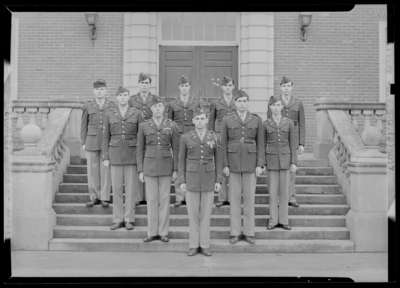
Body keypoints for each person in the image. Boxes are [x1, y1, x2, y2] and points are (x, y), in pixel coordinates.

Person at [220, 90, 265, 245]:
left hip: (250, 164)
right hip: (232, 165)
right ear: (235, 103)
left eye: (245, 101)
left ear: (248, 102)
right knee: (234, 200)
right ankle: (235, 232)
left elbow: (261, 144)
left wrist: (260, 164)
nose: (242, 104)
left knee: (249, 200)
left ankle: (248, 232)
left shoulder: (256, 120)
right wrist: (224, 164)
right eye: (239, 101)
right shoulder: (227, 120)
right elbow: (223, 145)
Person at [178, 108, 223, 257]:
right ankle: (193, 245)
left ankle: (205, 245)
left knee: (205, 215)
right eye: (197, 119)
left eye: (202, 118)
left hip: (209, 179)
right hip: (191, 179)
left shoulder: (214, 137)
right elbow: (181, 161)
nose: (200, 121)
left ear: (206, 120)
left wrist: (218, 180)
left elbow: (219, 160)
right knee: (193, 214)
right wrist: (182, 180)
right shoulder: (186, 137)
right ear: (193, 121)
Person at [136, 97, 180, 243]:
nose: (158, 109)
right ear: (151, 109)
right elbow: (140, 149)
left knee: (164, 199)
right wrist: (140, 170)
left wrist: (175, 170)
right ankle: (152, 232)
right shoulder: (144, 126)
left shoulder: (172, 125)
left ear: (164, 108)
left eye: (160, 106)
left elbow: (176, 148)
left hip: (167, 165)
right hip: (149, 165)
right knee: (152, 200)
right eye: (155, 106)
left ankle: (163, 232)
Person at [102, 87, 143, 230]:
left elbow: (141, 137)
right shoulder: (109, 114)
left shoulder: (136, 113)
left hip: (131, 155)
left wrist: (140, 158)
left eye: (125, 95)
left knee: (131, 190)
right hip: (115, 155)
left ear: (128, 97)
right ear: (117, 98)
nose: (123, 98)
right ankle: (118, 219)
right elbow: (105, 136)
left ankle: (129, 219)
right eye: (120, 95)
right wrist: (105, 157)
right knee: (117, 189)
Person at [267, 76, 305, 208]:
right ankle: (278, 197)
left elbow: (302, 124)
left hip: (292, 141)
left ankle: (291, 197)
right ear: (280, 88)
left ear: (292, 87)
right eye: (284, 86)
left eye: (288, 86)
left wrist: (301, 143)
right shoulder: (274, 102)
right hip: (278, 141)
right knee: (278, 170)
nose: (286, 88)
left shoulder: (298, 103)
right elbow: (269, 123)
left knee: (291, 170)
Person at [264, 96, 298, 230]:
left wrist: (294, 162)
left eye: (278, 105)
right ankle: (273, 220)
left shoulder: (289, 123)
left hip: (285, 161)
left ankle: (284, 220)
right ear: (270, 107)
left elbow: (292, 143)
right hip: (271, 161)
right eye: (273, 105)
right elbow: (262, 144)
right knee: (272, 193)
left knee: (284, 192)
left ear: (282, 107)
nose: (276, 107)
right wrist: (262, 163)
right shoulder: (265, 124)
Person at [168, 75, 201, 207]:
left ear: (189, 87)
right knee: (178, 164)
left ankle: (191, 195)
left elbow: (200, 120)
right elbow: (170, 122)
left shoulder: (196, 103)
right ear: (179, 87)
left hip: (192, 137)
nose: (184, 88)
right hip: (178, 138)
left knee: (192, 164)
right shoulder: (172, 104)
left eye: (186, 86)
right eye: (182, 86)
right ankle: (179, 196)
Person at [81, 79, 113, 208]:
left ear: (106, 91)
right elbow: (83, 125)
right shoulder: (87, 106)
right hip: (92, 140)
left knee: (106, 170)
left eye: (102, 89)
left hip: (107, 142)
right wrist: (83, 141)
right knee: (92, 170)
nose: (99, 92)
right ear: (93, 91)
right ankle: (94, 196)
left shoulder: (112, 106)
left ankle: (104, 197)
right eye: (97, 89)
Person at [208, 75, 237, 208]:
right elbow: (211, 121)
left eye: (230, 85)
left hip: (233, 137)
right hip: (219, 137)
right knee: (221, 165)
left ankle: (232, 197)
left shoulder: (237, 101)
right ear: (222, 87)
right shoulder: (216, 103)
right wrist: (210, 136)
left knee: (232, 166)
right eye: (225, 85)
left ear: (233, 87)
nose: (228, 88)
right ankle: (222, 197)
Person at [128, 72, 156, 207]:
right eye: (142, 83)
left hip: (151, 136)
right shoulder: (132, 100)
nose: (144, 85)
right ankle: (139, 196)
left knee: (149, 163)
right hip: (136, 135)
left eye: (146, 83)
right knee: (138, 163)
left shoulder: (155, 99)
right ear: (138, 84)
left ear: (150, 84)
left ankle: (149, 195)